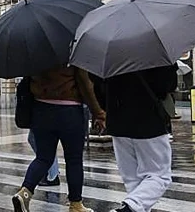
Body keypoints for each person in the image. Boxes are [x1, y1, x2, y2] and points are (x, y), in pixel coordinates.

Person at [12, 64, 105, 212]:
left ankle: (24, 193)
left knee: (43, 158)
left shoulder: (37, 50)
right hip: (70, 111)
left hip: (41, 110)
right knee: (73, 160)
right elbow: (83, 81)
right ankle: (75, 204)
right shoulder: (71, 48)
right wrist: (98, 112)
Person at [105, 64, 178, 212]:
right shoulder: (154, 53)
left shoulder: (109, 53)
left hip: (118, 120)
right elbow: (166, 84)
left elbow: (98, 87)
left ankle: (133, 206)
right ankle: (130, 208)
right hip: (148, 119)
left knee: (133, 180)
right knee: (159, 176)